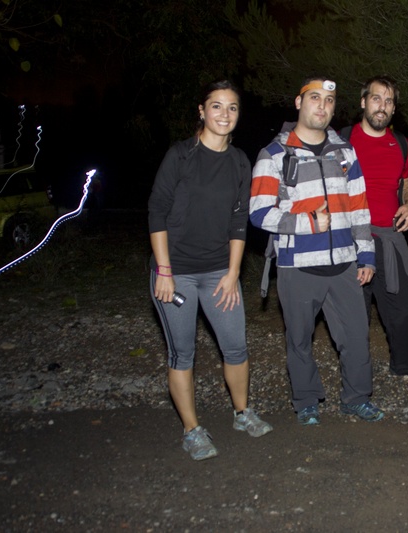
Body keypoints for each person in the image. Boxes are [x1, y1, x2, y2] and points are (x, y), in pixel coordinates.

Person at [148, 80, 272, 462]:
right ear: (202, 111)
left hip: (219, 270)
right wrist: (164, 271)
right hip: (176, 273)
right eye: (216, 106)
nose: (224, 114)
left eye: (232, 107)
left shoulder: (239, 162)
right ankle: (192, 430)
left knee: (235, 346)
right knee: (182, 353)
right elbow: (157, 212)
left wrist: (233, 273)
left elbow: (239, 221)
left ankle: (242, 412)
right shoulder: (180, 156)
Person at [249, 76, 384, 425]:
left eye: (329, 101)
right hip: (297, 265)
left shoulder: (345, 152)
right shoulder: (274, 154)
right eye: (314, 98)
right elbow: (259, 212)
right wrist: (308, 222)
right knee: (299, 340)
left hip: (344, 264)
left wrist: (366, 255)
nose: (322, 106)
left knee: (356, 337)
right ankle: (306, 400)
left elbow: (359, 208)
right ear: (299, 103)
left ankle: (356, 398)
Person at [343, 76, 408, 382]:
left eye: (389, 101)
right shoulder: (342, 140)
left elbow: (406, 180)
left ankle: (404, 363)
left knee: (403, 307)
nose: (382, 106)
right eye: (376, 98)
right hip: (350, 239)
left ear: (394, 108)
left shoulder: (401, 144)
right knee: (353, 312)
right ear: (363, 102)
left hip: (388, 237)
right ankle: (356, 376)